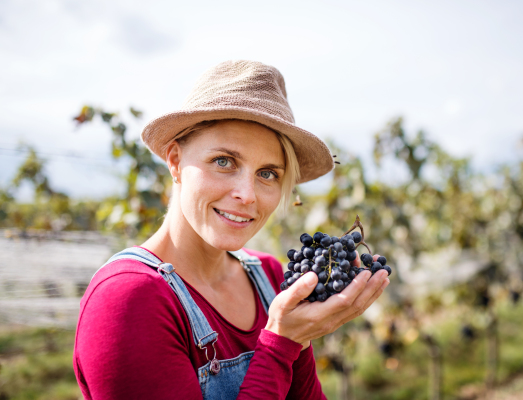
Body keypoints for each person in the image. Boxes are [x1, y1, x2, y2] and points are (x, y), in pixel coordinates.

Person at [73, 60, 390, 399]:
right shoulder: (127, 300)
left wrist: (294, 337)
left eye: (268, 173)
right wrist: (282, 344)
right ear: (175, 161)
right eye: (224, 161)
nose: (247, 195)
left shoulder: (268, 277)